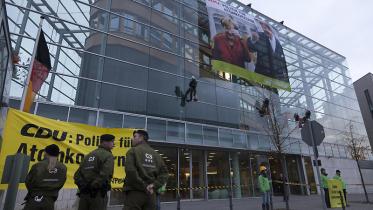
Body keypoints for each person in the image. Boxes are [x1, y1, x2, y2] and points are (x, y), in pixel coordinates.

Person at [123, 130, 168, 210]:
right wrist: (154, 185)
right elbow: (164, 174)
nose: (132, 139)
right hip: (151, 195)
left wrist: (144, 186)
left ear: (141, 138)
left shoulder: (132, 151)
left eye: (134, 137)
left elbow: (130, 171)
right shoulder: (156, 155)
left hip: (135, 193)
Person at [74, 134, 115, 210]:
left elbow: (77, 175)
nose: (113, 144)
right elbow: (105, 174)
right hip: (98, 194)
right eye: (112, 142)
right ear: (105, 142)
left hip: (84, 194)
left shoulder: (89, 155)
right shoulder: (108, 155)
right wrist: (94, 186)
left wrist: (83, 186)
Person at [24, 144, 67, 210]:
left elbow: (28, 181)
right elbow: (61, 182)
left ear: (46, 153)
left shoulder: (38, 165)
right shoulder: (63, 168)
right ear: (57, 154)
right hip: (50, 201)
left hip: (35, 199)